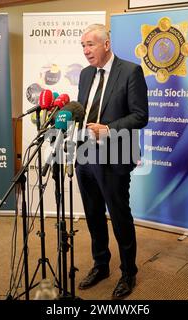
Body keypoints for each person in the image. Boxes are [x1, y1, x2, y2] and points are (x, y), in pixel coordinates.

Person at [75, 24, 148, 299]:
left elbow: (141, 116)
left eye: (90, 44)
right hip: (85, 155)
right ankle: (101, 264)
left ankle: (129, 272)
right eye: (83, 46)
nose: (86, 50)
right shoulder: (84, 74)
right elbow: (83, 110)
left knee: (118, 216)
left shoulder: (130, 71)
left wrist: (109, 129)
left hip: (115, 156)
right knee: (93, 214)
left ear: (106, 44)